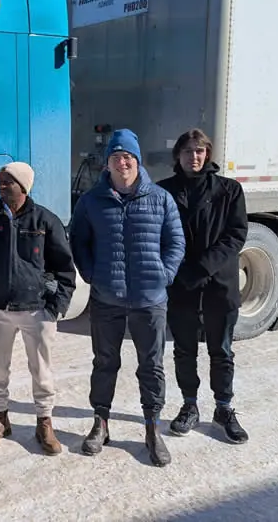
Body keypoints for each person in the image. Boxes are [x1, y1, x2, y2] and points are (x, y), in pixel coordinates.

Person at [69, 129, 185, 467]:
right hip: (107, 298)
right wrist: (91, 274)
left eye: (128, 157)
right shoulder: (91, 201)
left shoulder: (160, 199)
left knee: (151, 365)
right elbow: (79, 240)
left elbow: (175, 242)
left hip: (150, 299)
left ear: (137, 161)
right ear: (107, 163)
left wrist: (164, 275)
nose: (123, 162)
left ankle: (152, 427)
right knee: (105, 362)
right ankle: (100, 423)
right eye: (116, 157)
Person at [0, 162, 77, 454]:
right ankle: (0, 418)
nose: (2, 186)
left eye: (9, 181)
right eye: (1, 181)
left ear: (24, 186)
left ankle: (44, 422)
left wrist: (56, 306)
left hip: (37, 309)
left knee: (41, 370)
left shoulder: (45, 220)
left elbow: (65, 267)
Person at [157, 129, 249, 444]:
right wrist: (179, 270)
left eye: (199, 151)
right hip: (181, 283)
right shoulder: (164, 191)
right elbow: (159, 235)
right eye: (187, 151)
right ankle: (189, 405)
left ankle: (224, 408)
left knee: (220, 350)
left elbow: (236, 235)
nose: (193, 157)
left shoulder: (229, 190)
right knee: (184, 350)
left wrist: (203, 267)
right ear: (178, 155)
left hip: (219, 283)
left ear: (207, 153)